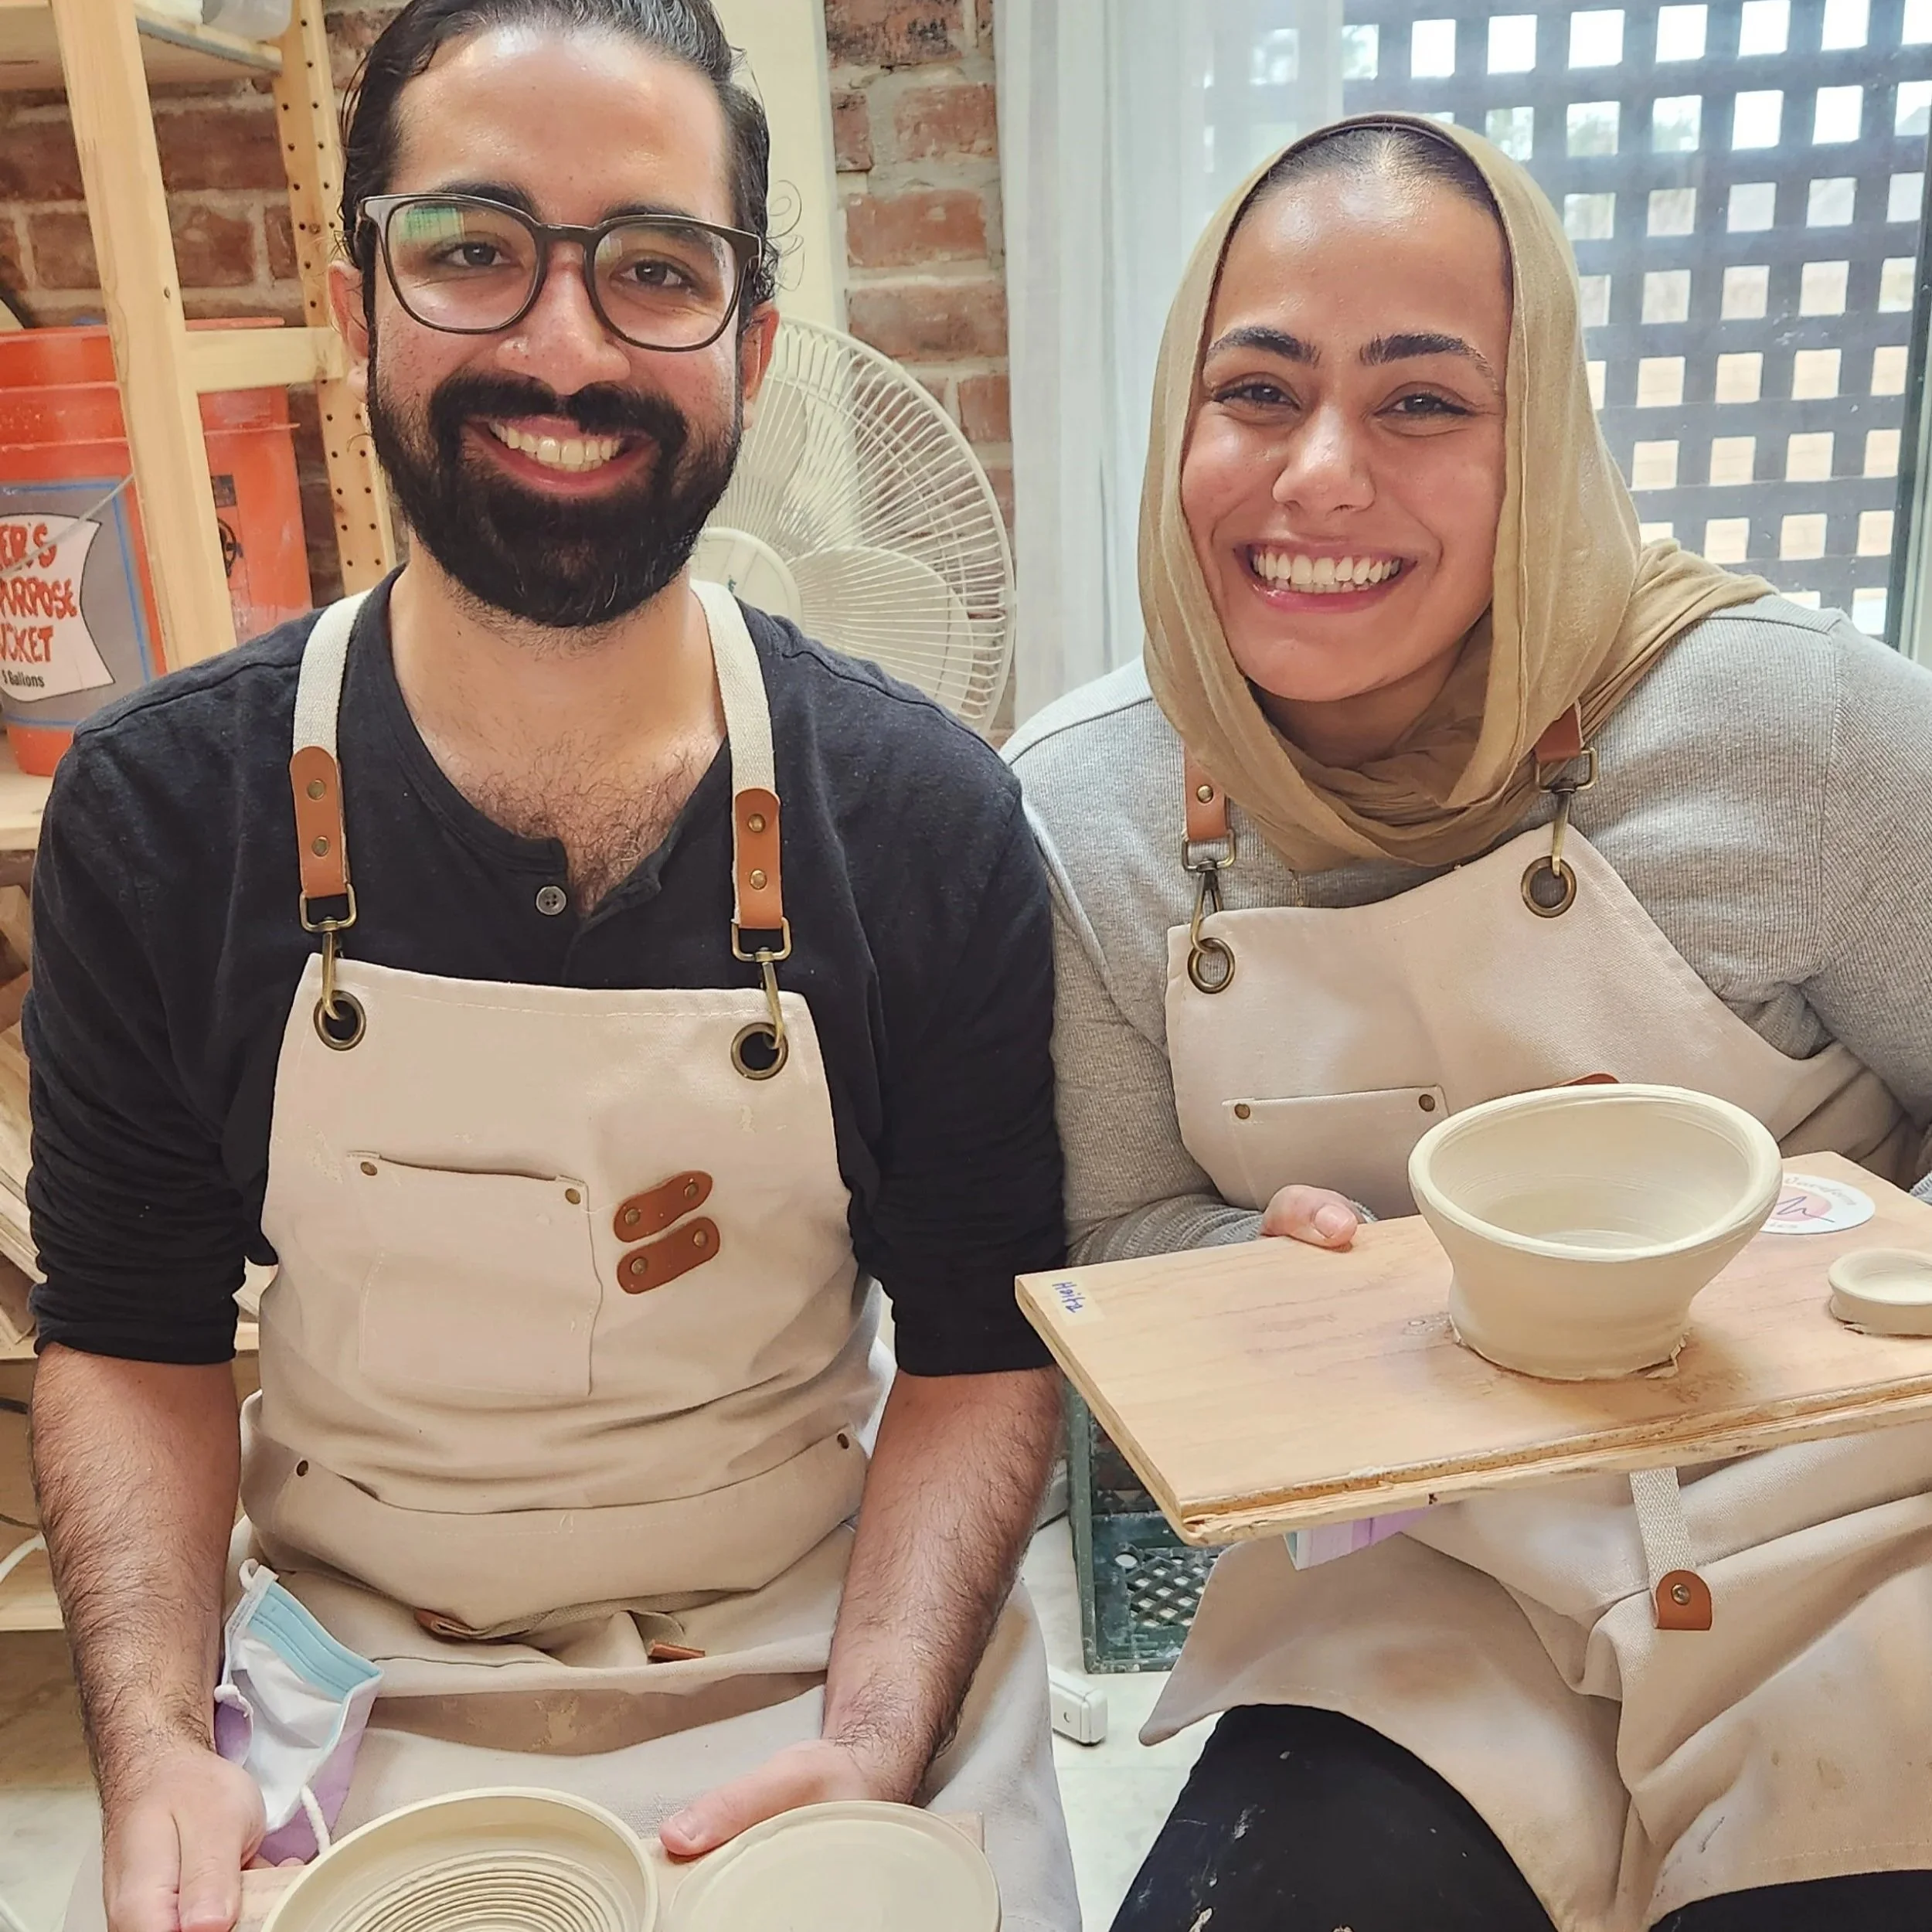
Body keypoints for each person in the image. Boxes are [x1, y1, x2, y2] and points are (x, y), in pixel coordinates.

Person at [26, 4, 1078, 1928]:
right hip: (353, 1676)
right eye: (471, 249)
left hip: (812, 1656)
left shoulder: (924, 819)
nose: (565, 346)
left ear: (751, 351)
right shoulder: (161, 813)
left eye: (654, 268)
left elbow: (978, 1347)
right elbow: (131, 1334)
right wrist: (160, 1737)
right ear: (357, 301)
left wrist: (875, 1727)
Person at [1008, 113, 1932, 1932]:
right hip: (1421, 1564)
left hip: (1848, 1546)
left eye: (1421, 403)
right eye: (1255, 390)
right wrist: (1244, 1257)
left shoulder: (1793, 727)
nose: (1318, 477)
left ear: (1543, 440)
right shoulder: (1088, 811)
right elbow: (1111, 1232)